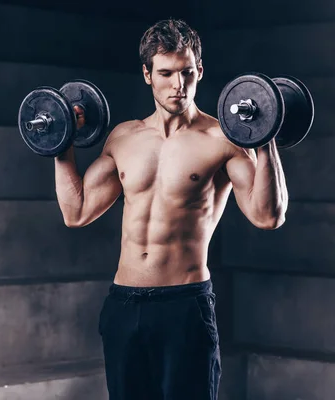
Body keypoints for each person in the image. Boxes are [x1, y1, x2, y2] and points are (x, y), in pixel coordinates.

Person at [53, 19, 288, 400]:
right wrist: (61, 143)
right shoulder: (124, 138)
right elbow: (76, 212)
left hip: (184, 306)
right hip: (124, 305)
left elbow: (268, 216)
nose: (178, 85)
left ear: (200, 71)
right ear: (147, 75)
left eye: (187, 72)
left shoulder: (222, 140)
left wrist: (265, 137)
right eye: (166, 73)